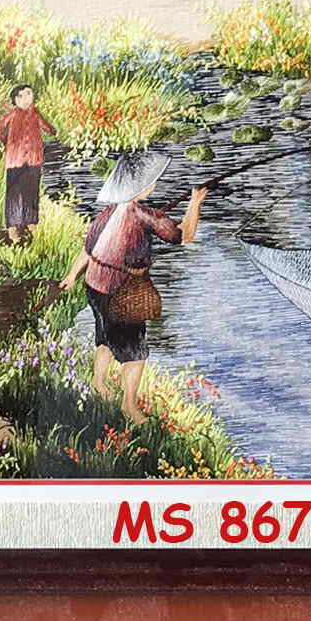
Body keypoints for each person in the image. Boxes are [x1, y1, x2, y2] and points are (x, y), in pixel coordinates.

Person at [58, 153, 208, 423]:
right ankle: (129, 406)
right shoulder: (142, 215)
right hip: (121, 291)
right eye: (150, 181)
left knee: (105, 336)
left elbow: (87, 250)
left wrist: (71, 276)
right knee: (135, 352)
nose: (154, 184)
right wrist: (195, 204)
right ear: (139, 186)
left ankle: (98, 383)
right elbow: (185, 235)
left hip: (94, 285)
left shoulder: (107, 213)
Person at [0, 83, 56, 245]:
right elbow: (0, 130)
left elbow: (48, 128)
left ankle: (31, 225)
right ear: (15, 100)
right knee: (14, 195)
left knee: (32, 192)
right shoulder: (13, 114)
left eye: (29, 94)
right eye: (21, 96)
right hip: (15, 161)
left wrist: (53, 131)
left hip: (34, 160)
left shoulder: (36, 113)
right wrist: (8, 144)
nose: (26, 99)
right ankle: (13, 230)